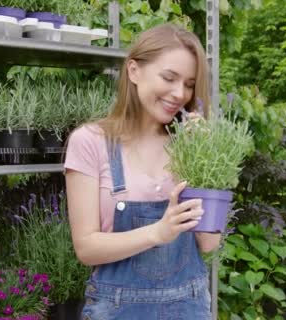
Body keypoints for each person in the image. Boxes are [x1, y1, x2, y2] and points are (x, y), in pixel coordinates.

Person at [64, 23, 220, 319]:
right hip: (117, 309)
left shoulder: (192, 148)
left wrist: (206, 160)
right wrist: (158, 232)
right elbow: (86, 248)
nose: (180, 94)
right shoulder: (90, 142)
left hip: (188, 307)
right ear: (134, 71)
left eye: (189, 84)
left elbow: (209, 243)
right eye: (169, 78)